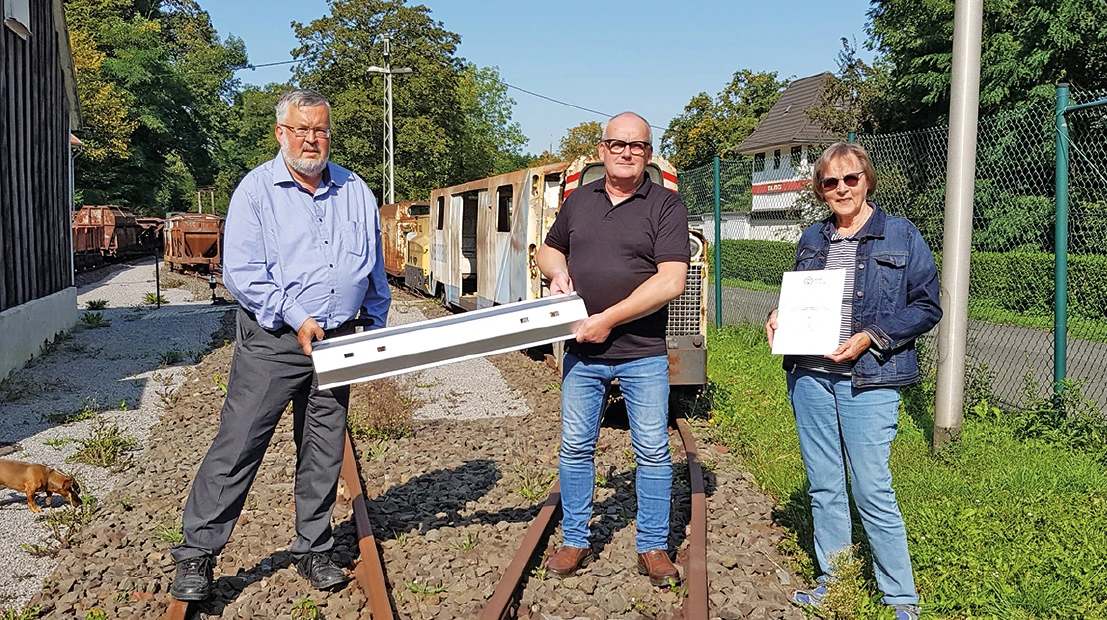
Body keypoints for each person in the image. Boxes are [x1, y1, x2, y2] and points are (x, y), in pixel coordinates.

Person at [170, 89, 391, 601]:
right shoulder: (255, 192)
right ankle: (197, 555)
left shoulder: (356, 190)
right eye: (302, 130)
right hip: (274, 341)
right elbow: (242, 273)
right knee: (240, 443)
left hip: (338, 342)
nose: (312, 140)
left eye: (320, 130)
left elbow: (372, 265)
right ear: (281, 134)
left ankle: (313, 547)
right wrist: (297, 318)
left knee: (323, 448)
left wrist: (376, 323)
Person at [765, 143, 941, 620]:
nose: (841, 189)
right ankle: (835, 583)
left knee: (871, 486)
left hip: (871, 379)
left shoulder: (901, 235)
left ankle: (901, 598)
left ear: (868, 181)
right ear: (821, 189)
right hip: (811, 377)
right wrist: (777, 315)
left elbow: (927, 306)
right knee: (824, 484)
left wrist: (871, 336)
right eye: (830, 182)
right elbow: (794, 296)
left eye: (851, 179)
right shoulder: (812, 239)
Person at [536, 112, 689, 587]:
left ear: (648, 153)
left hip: (641, 350)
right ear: (602, 151)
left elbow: (672, 280)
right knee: (576, 448)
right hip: (582, 353)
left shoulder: (665, 206)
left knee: (653, 451)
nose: (627, 152)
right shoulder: (579, 200)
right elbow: (548, 248)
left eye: (637, 145)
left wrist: (608, 319)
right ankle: (576, 539)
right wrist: (556, 271)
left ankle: (653, 547)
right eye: (618, 144)